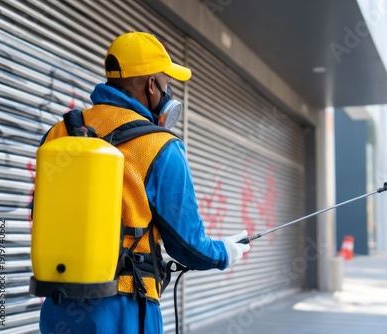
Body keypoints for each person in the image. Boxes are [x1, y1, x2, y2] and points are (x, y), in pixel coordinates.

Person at [35, 31, 250, 334]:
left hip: (60, 307)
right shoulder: (160, 146)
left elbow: (40, 212)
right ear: (151, 85)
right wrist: (224, 252)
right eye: (166, 84)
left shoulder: (59, 132)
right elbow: (188, 244)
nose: (168, 93)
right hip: (126, 307)